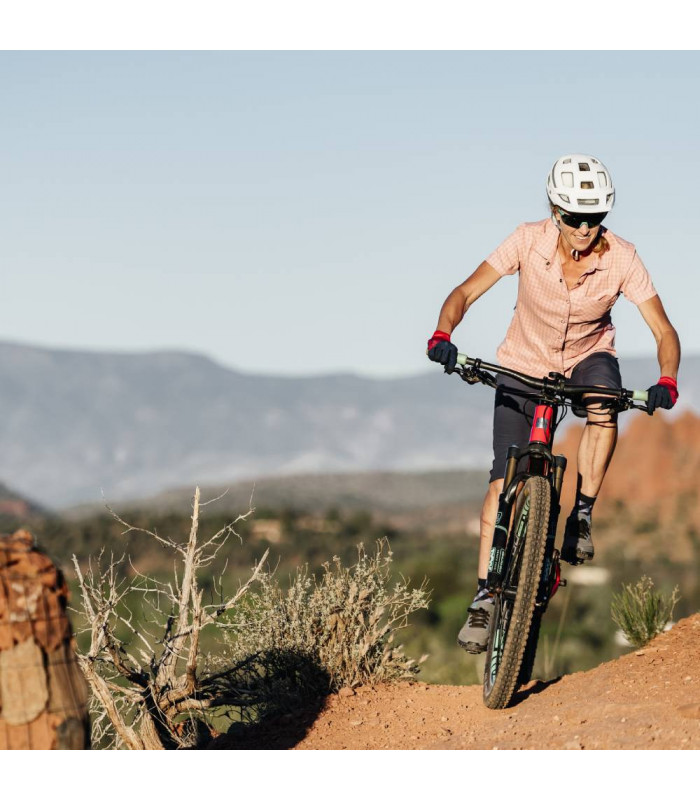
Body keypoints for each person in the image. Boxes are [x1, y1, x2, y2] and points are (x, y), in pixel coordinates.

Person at [427, 153, 681, 654]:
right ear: (554, 209)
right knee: (501, 485)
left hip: (589, 359)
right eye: (573, 216)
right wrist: (443, 332)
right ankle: (484, 596)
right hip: (522, 363)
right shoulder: (525, 239)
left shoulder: (624, 257)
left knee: (604, 404)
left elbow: (663, 329)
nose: (585, 228)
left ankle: (581, 513)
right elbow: (465, 291)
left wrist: (667, 378)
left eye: (595, 218)